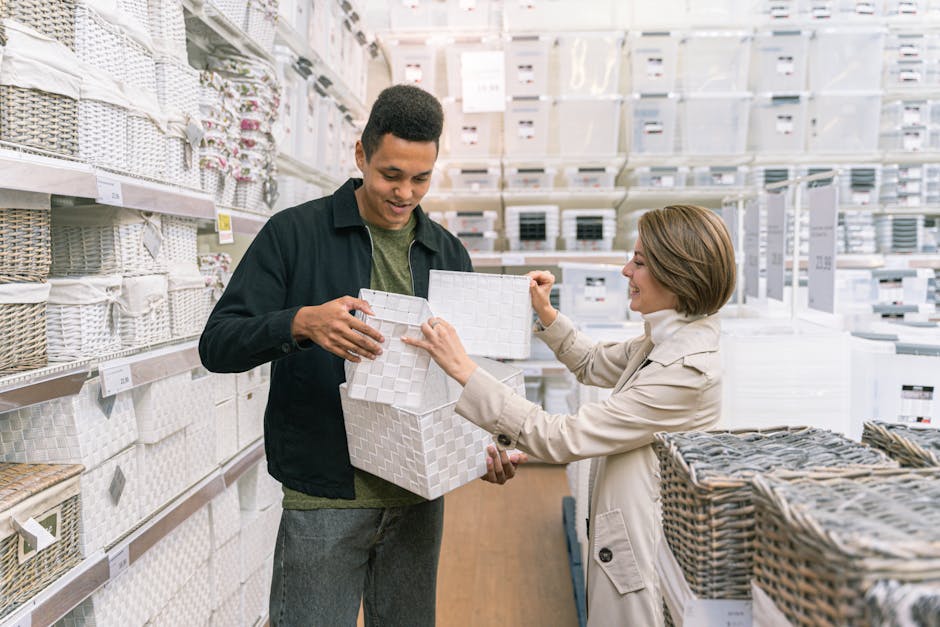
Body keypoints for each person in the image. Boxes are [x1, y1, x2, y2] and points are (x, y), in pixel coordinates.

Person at [199, 83, 525, 627]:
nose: (405, 193)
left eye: (421, 178)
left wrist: (484, 446)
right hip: (325, 497)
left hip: (418, 499)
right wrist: (300, 322)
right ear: (360, 155)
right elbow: (218, 344)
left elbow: (463, 375)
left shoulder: (447, 253)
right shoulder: (295, 234)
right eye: (390, 175)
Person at [402, 204, 737, 626]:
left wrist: (464, 370)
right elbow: (595, 363)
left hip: (645, 549)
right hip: (628, 533)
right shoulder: (667, 340)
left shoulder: (685, 371)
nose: (625, 272)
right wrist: (545, 312)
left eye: (639, 262)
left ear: (678, 273)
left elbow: (562, 438)